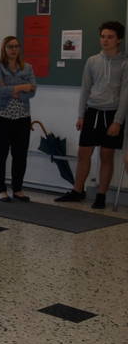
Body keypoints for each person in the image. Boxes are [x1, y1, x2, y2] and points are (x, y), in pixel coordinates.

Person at [56, 21, 128, 209]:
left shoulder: (125, 63)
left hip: (112, 114)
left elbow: (125, 94)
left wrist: (118, 121)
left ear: (119, 39)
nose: (105, 40)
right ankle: (77, 191)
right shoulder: (92, 61)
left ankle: (101, 196)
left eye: (110, 37)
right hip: (92, 112)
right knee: (83, 153)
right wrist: (81, 115)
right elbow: (85, 89)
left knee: (106, 154)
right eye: (103, 36)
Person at [0, 36, 36, 202]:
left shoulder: (27, 68)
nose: (14, 49)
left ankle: (17, 189)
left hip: (22, 117)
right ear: (4, 48)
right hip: (0, 116)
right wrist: (22, 87)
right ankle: (1, 189)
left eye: (16, 46)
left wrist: (9, 89)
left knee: (20, 154)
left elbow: (33, 91)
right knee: (0, 153)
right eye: (10, 46)